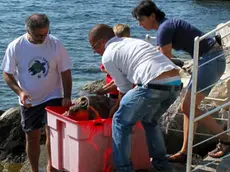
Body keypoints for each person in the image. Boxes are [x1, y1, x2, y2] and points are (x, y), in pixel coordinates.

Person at [132, 0, 227, 162]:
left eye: (141, 20)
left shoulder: (163, 30)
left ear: (152, 16)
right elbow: (166, 56)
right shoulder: (166, 26)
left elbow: (164, 61)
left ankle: (226, 139)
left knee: (188, 107)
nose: (140, 25)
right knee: (188, 108)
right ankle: (184, 152)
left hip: (210, 59)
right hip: (210, 58)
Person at [88, 24, 182, 171]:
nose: (95, 51)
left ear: (101, 41)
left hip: (153, 83)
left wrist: (115, 108)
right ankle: (161, 164)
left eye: (93, 47)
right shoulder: (132, 42)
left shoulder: (108, 55)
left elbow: (124, 88)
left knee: (120, 122)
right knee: (150, 121)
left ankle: (124, 168)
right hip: (175, 82)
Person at [1, 14, 72, 172]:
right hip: (30, 100)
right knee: (32, 137)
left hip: (53, 95)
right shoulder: (16, 46)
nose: (44, 37)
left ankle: (51, 168)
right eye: (39, 35)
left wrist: (67, 96)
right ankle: (34, 170)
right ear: (28, 30)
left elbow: (66, 72)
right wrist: (20, 92)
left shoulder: (55, 44)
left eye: (46, 33)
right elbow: (7, 73)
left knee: (52, 134)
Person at [96, 24, 131, 99]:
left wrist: (103, 90)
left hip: (118, 89)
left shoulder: (111, 54)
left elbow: (119, 82)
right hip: (118, 86)